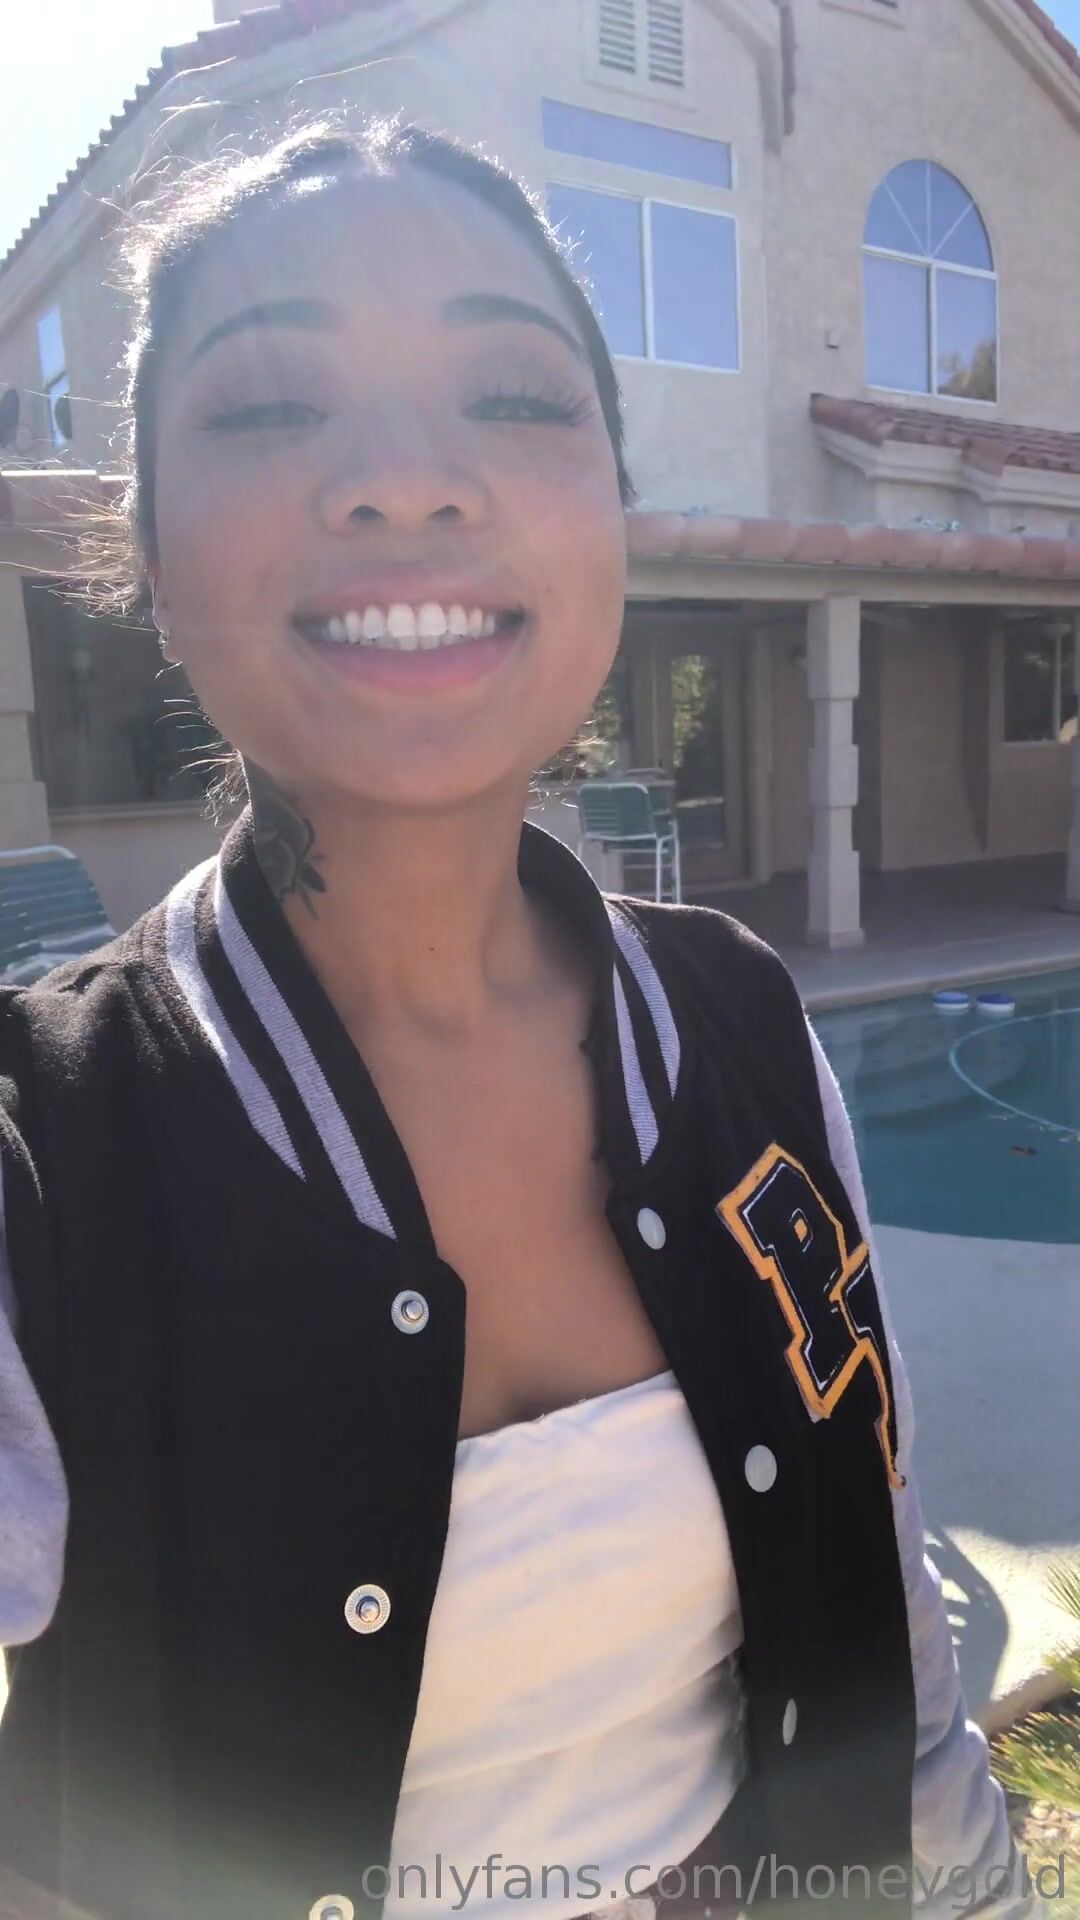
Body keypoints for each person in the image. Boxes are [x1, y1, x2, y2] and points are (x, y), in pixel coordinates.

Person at [0, 116, 1041, 1920]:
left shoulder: (744, 1027)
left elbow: (883, 1609)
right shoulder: (46, 1154)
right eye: (271, 406)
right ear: (149, 559)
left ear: (612, 520)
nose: (405, 483)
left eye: (511, 396)